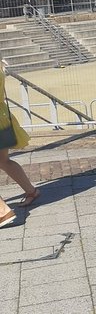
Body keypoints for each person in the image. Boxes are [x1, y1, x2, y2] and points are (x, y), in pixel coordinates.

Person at [0, 59, 39, 226]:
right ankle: (31, 191)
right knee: (4, 161)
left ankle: (3, 213)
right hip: (1, 117)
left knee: (4, 161)